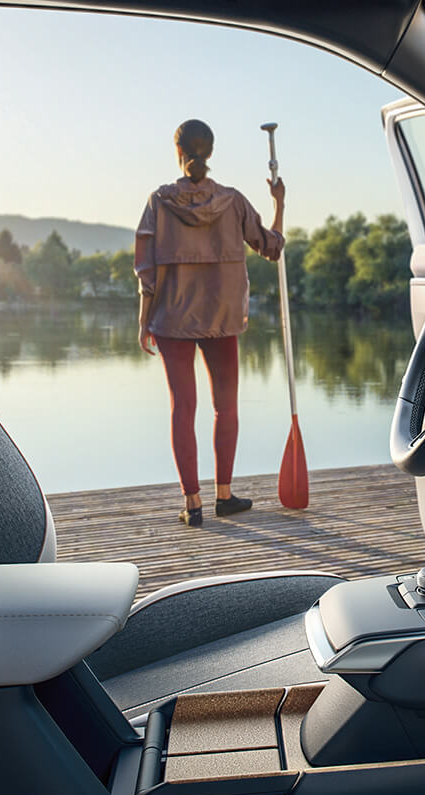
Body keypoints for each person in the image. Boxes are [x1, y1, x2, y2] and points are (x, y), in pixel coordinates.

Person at [135, 119, 286, 527]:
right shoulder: (233, 201)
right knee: (226, 407)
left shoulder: (158, 202)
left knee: (182, 409)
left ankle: (193, 504)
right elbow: (271, 247)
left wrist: (144, 320)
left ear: (178, 151)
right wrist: (279, 203)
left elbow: (146, 271)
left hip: (171, 320)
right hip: (222, 319)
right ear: (211, 152)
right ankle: (224, 496)